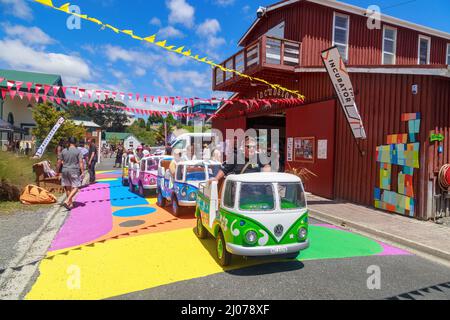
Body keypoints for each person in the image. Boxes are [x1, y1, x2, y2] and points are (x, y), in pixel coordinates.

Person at [58, 137, 84, 210]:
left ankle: (71, 204)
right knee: (76, 187)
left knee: (68, 187)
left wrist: (57, 171)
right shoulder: (78, 151)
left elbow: (59, 162)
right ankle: (67, 201)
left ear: (69, 142)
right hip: (74, 170)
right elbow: (81, 162)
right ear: (75, 143)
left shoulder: (63, 151)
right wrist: (82, 171)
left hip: (65, 170)